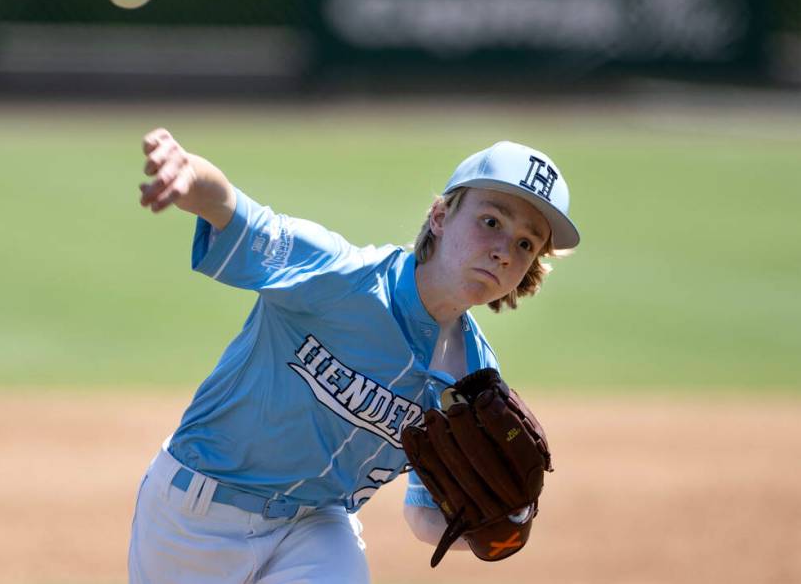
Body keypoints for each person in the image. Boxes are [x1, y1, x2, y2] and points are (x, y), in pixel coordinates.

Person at [128, 128, 580, 584]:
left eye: (527, 243)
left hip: (316, 528)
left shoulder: (474, 382)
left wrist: (505, 523)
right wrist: (190, 176)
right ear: (441, 217)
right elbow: (234, 212)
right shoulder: (340, 277)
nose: (504, 251)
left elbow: (425, 519)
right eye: (491, 222)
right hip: (196, 514)